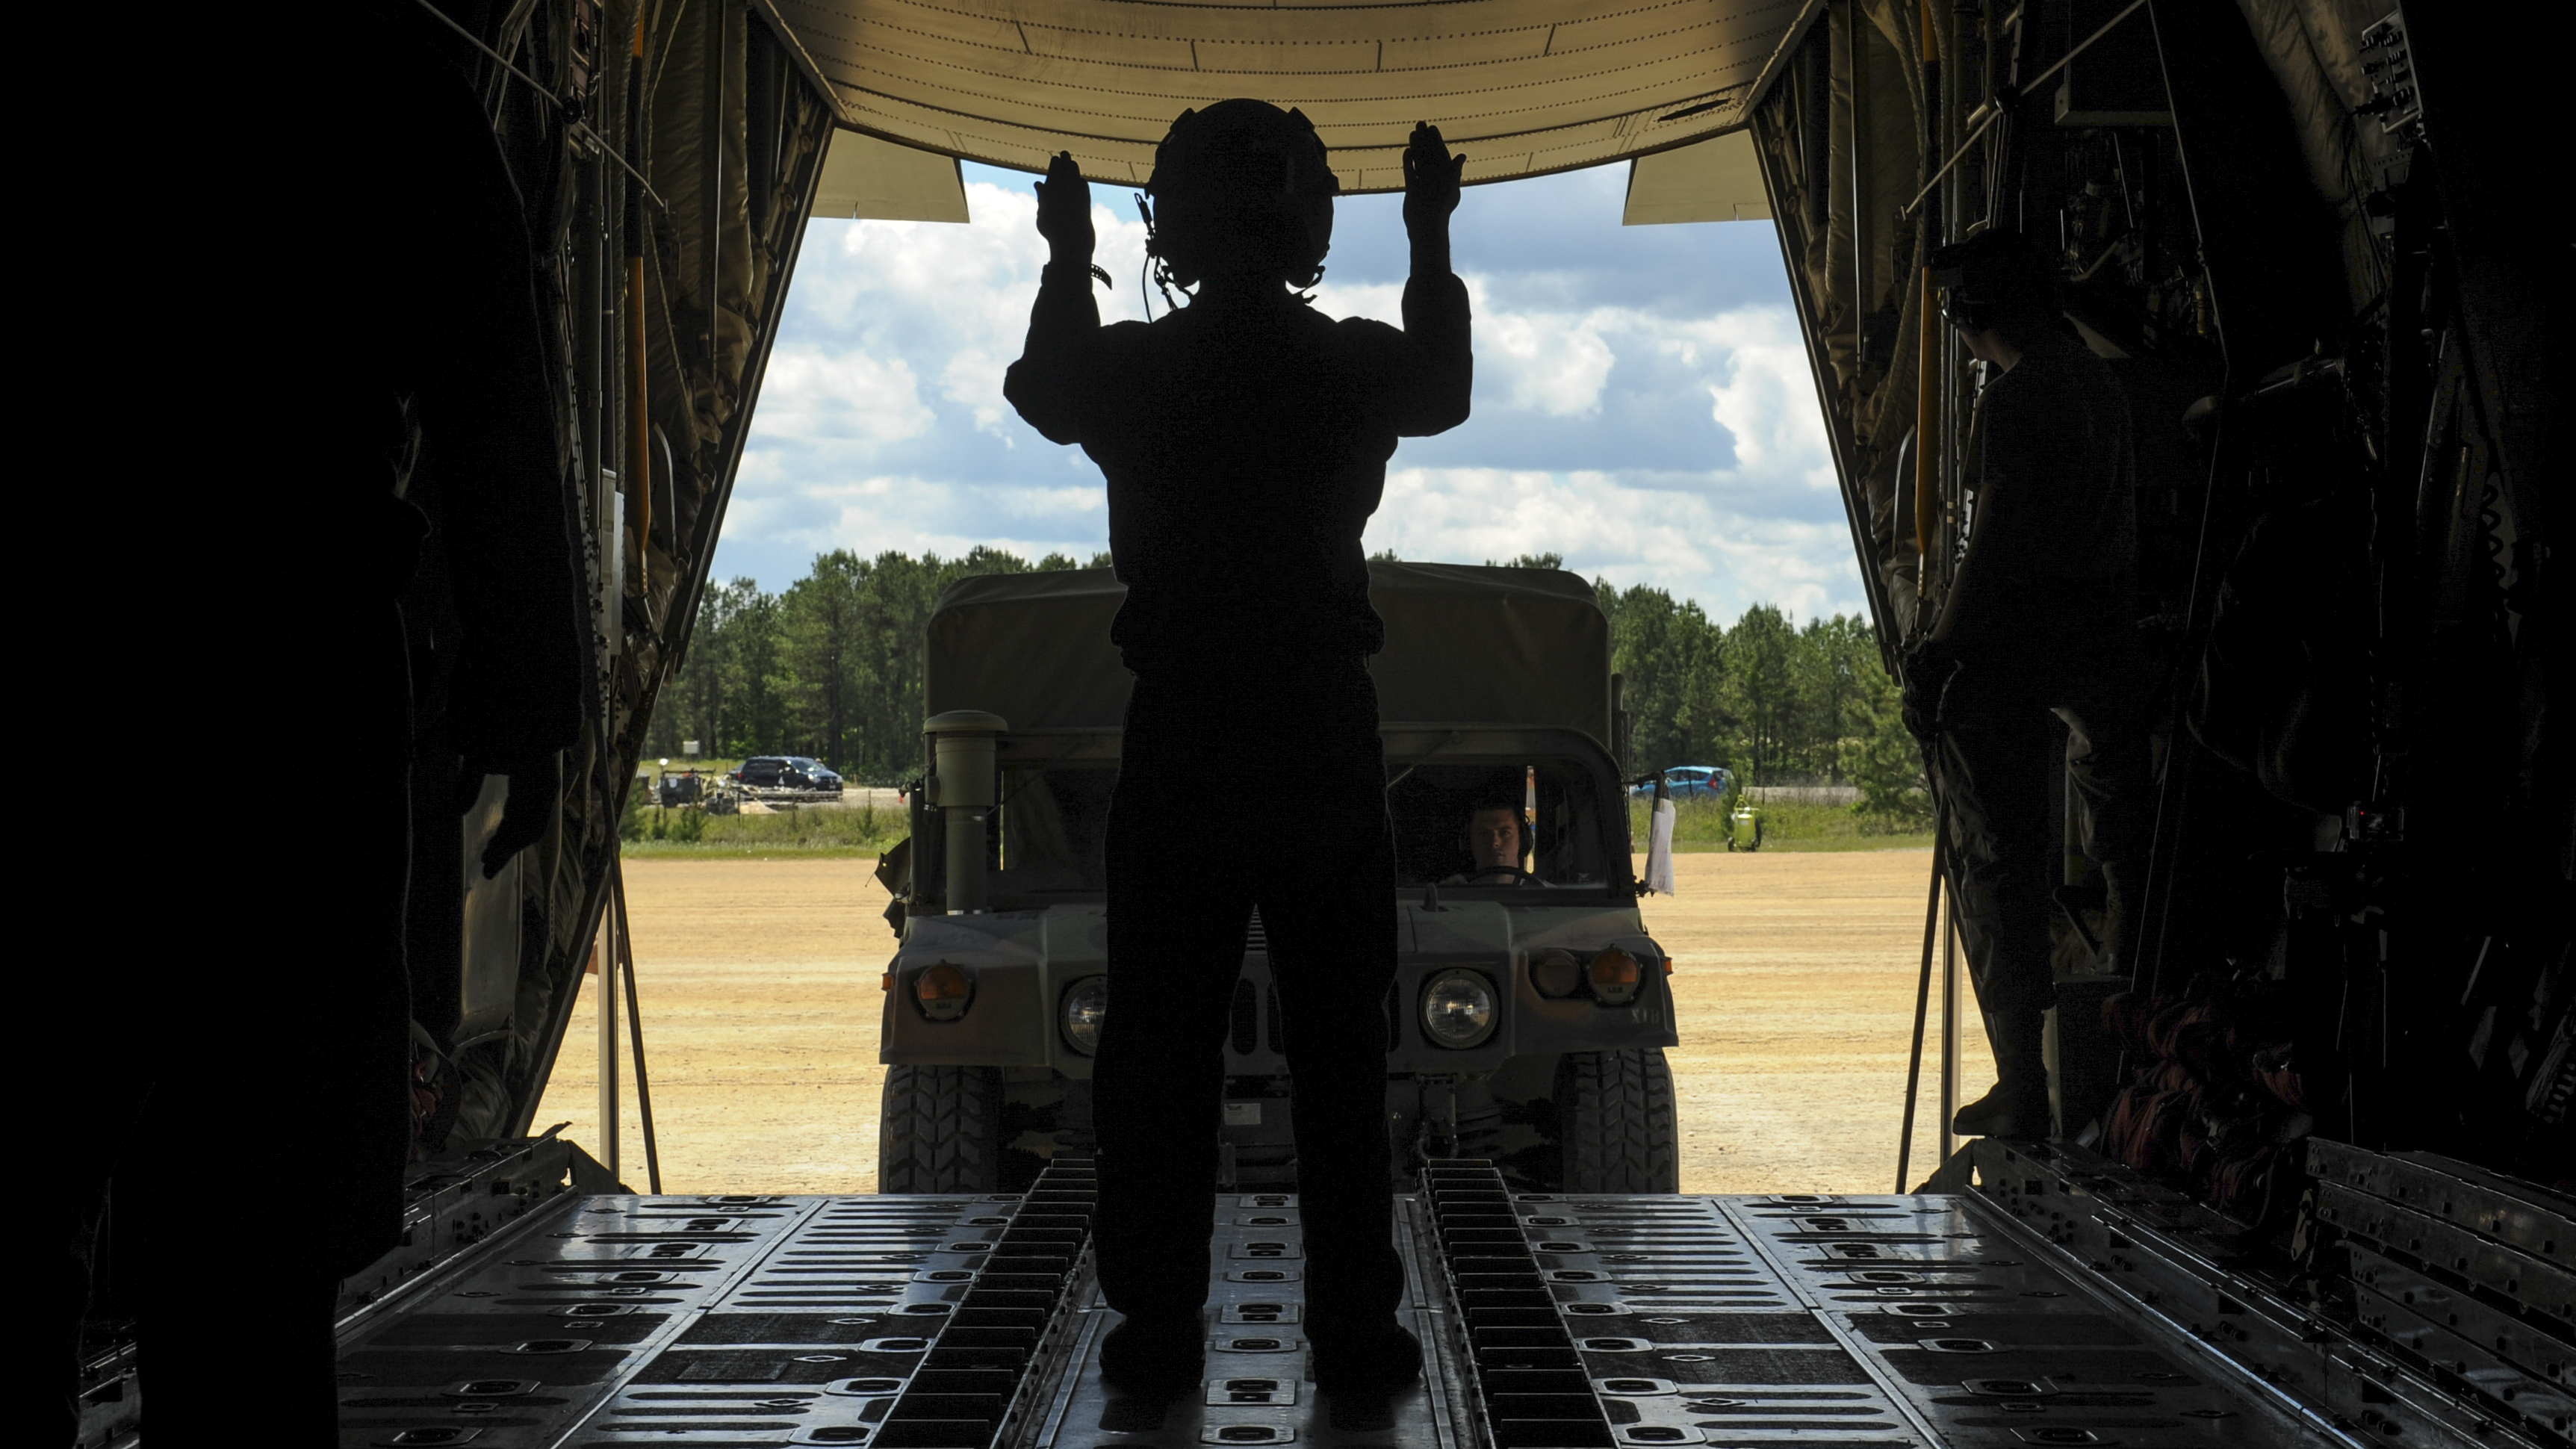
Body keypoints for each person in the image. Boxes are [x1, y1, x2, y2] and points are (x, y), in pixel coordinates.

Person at [1003, 102, 1471, 1400]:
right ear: (1310, 221)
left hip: (1186, 730)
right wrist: (1429, 236)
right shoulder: (1349, 368)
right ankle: (1354, 1331)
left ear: (1172, 224)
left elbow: (1045, 389)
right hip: (1319, 726)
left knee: (1157, 1043)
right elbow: (1443, 384)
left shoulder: (1139, 373)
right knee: (1337, 1042)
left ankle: (1155, 1328)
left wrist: (1064, 255)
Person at [1905, 228, 2153, 1140]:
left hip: (2021, 640)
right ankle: (2133, 1040)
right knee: (2120, 841)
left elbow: (1993, 542)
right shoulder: (2096, 383)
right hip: (2103, 635)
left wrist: (1938, 651)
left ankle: (2024, 1078)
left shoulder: (2012, 399)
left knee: (2000, 864)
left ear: (1975, 312)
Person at [1444, 801, 1534, 884]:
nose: (1495, 842)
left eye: (1505, 833)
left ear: (1522, 839)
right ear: (1468, 842)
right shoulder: (1454, 895)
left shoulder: (1544, 896)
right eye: (1484, 834)